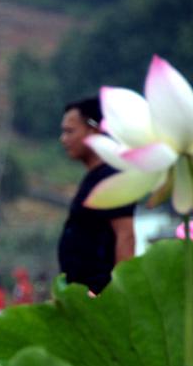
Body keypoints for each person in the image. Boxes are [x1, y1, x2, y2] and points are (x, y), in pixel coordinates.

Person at [57, 97, 135, 294]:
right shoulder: (94, 177)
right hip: (82, 294)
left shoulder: (113, 177)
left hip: (99, 295)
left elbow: (125, 236)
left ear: (94, 130)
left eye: (70, 131)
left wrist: (118, 294)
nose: (63, 139)